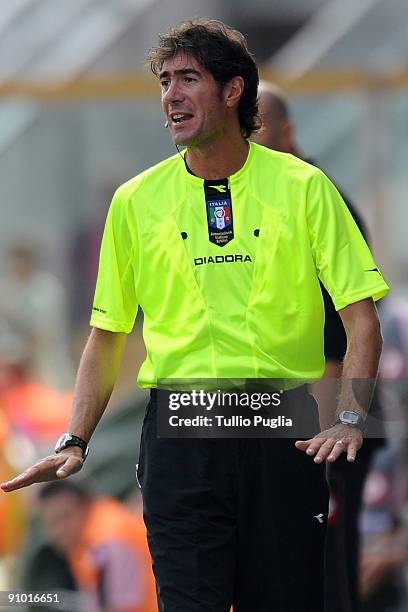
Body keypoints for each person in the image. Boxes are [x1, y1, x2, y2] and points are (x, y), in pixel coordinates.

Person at [1, 18, 389, 612]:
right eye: (164, 81)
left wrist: (348, 417)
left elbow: (362, 318)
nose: (171, 96)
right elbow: (106, 338)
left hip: (282, 428)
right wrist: (77, 437)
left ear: (233, 91)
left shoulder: (306, 187)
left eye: (188, 79)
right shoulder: (134, 201)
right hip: (182, 434)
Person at [253, 81, 387, 612]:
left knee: (326, 566)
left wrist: (326, 439)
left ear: (288, 131)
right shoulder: (264, 200)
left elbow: (344, 333)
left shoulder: (319, 198)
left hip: (330, 418)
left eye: (259, 127)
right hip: (292, 415)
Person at [38, 480, 157, 612]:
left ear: (86, 505)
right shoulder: (89, 536)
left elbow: (124, 607)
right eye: (51, 523)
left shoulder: (107, 543)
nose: (58, 531)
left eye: (65, 517)